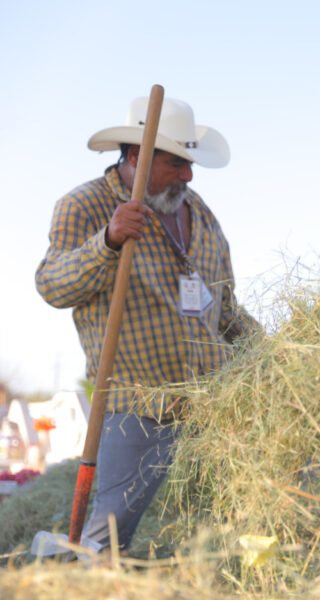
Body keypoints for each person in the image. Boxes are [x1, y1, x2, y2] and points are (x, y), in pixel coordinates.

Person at [35, 96, 260, 551]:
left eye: (190, 164)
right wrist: (110, 240)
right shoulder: (86, 206)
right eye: (177, 163)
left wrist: (269, 354)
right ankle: (88, 599)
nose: (188, 175)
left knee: (242, 513)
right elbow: (52, 285)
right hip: (139, 403)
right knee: (111, 529)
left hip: (213, 401)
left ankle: (238, 593)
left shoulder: (201, 214)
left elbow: (226, 306)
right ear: (136, 158)